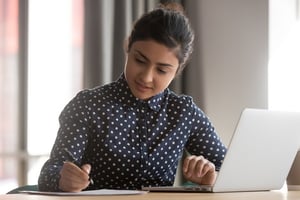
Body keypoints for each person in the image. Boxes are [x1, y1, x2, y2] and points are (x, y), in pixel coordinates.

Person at [38, 2, 227, 192]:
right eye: (140, 60)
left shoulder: (184, 113)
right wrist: (63, 179)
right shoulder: (88, 105)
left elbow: (231, 170)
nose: (146, 77)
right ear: (128, 46)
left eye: (161, 70)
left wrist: (212, 177)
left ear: (178, 70)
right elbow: (50, 171)